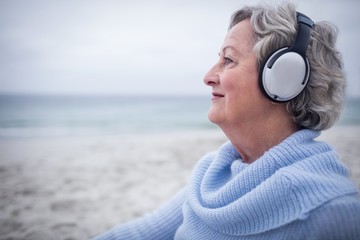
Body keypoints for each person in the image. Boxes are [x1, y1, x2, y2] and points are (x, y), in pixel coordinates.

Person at [94, 2, 360, 239]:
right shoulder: (213, 173)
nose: (208, 76)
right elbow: (141, 233)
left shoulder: (333, 211)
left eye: (228, 59)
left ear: (284, 78)